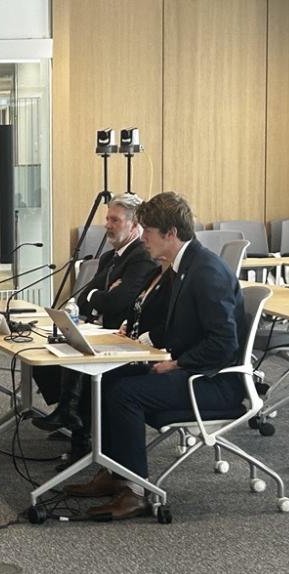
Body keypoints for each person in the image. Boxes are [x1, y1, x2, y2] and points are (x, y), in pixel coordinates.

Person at [64, 192, 247, 520]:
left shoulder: (206, 271)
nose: (142, 236)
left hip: (214, 382)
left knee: (124, 394)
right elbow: (181, 327)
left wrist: (176, 363)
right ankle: (115, 473)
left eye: (148, 230)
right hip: (196, 371)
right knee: (109, 378)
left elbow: (224, 343)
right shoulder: (184, 266)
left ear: (171, 234)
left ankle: (135, 491)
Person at [32, 194, 157, 467]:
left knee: (77, 357)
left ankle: (78, 428)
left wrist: (99, 297)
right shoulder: (111, 257)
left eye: (115, 220)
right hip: (101, 328)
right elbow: (87, 294)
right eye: (107, 219)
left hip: (126, 337)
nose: (108, 225)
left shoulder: (141, 258)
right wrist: (99, 296)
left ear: (135, 225)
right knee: (45, 350)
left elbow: (117, 301)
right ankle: (72, 417)